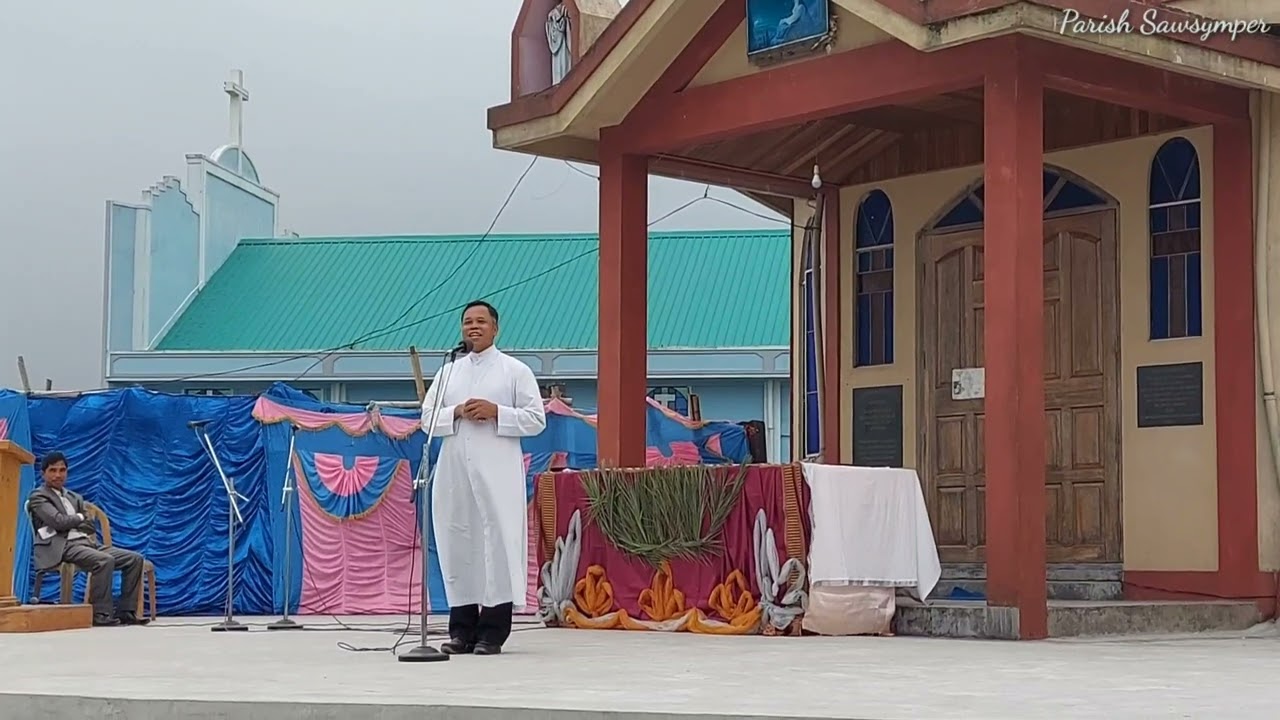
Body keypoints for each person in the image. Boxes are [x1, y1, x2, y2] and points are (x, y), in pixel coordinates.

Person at [421, 300, 546, 655]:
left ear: (495, 328)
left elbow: (536, 419)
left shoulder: (515, 371)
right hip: (455, 472)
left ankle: (492, 632)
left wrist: (497, 412)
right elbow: (426, 419)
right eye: (467, 322)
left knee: (496, 543)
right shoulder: (449, 372)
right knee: (458, 543)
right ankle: (461, 630)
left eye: (480, 321)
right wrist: (456, 411)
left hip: (497, 472)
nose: (473, 327)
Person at [26, 451, 149, 626]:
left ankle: (126, 612)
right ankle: (100, 614)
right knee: (104, 560)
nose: (58, 475)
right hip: (62, 546)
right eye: (53, 470)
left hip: (87, 543)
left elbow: (90, 526)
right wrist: (79, 518)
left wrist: (76, 520)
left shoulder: (74, 497)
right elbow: (57, 522)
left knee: (134, 559)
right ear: (43, 473)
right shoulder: (39, 496)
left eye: (62, 470)